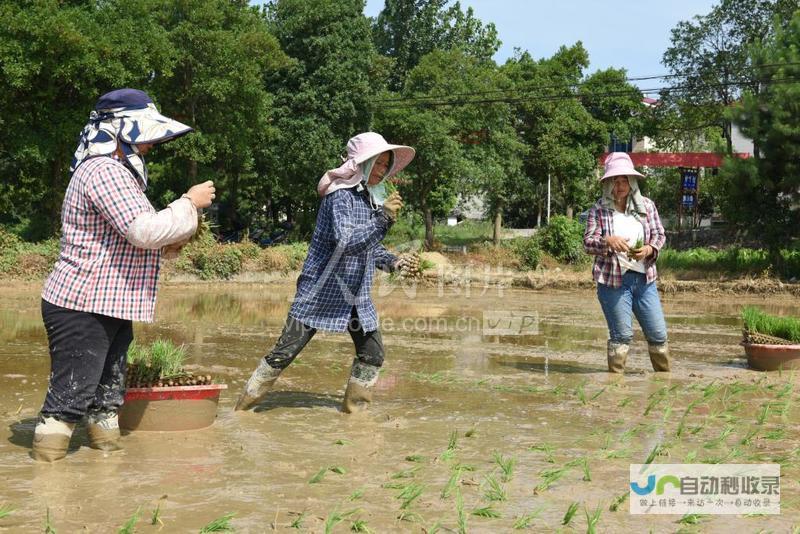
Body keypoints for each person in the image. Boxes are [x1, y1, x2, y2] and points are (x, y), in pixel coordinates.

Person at [33, 89, 216, 462]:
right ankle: (47, 476)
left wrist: (174, 239)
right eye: (142, 135)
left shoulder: (118, 174)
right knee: (70, 398)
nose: (148, 145)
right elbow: (143, 230)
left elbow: (132, 239)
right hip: (81, 304)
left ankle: (108, 462)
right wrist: (188, 203)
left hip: (108, 302)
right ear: (116, 132)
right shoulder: (104, 171)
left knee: (107, 397)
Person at [235, 132, 417, 413]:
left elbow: (369, 247)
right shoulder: (340, 197)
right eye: (377, 163)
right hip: (320, 293)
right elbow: (346, 243)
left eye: (386, 164)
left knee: (372, 354)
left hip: (355, 297)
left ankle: (357, 415)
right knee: (284, 353)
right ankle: (243, 409)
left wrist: (393, 261)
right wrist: (383, 219)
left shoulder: (369, 200)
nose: (382, 170)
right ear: (361, 164)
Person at [583, 152, 670, 374]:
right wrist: (607, 241)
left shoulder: (647, 206)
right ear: (608, 184)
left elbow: (660, 235)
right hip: (613, 283)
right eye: (615, 181)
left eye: (624, 181)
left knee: (658, 334)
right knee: (622, 335)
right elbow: (588, 242)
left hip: (644, 281)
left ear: (632, 183)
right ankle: (615, 386)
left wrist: (649, 249)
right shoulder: (599, 210)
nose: (620, 186)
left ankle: (663, 381)